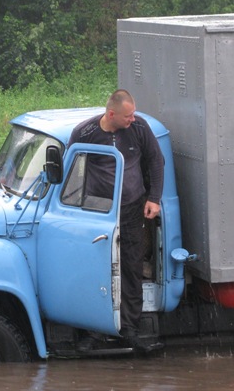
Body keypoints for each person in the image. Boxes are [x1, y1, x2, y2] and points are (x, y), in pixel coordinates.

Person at [68, 89, 164, 352]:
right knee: (97, 269)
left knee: (131, 268)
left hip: (133, 209)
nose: (132, 119)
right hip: (98, 213)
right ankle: (96, 330)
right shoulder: (84, 133)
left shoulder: (139, 128)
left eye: (133, 114)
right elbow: (71, 170)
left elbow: (156, 161)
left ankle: (129, 329)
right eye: (128, 115)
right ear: (111, 114)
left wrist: (154, 198)